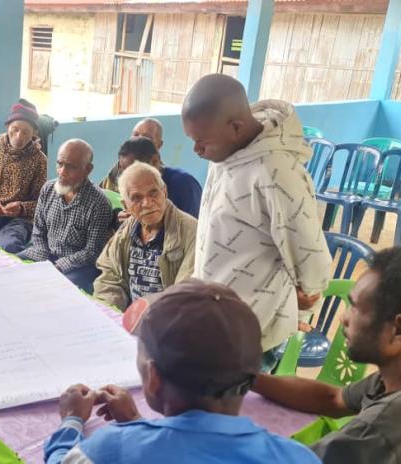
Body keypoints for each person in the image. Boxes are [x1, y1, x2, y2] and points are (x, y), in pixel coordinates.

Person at [44, 280, 320, 463]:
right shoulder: (297, 457)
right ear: (252, 373)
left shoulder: (111, 449)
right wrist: (137, 420)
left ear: (153, 379)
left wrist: (71, 421)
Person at [182, 74, 331, 370]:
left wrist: (300, 313)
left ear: (236, 127)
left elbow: (312, 259)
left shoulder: (277, 174)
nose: (196, 151)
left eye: (202, 142)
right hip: (216, 321)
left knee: (232, 408)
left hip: (252, 332)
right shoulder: (225, 153)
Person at [254, 247, 401, 463]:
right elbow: (333, 399)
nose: (344, 318)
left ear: (399, 330)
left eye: (355, 308)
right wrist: (247, 377)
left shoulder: (382, 428)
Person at [93, 162, 196, 310]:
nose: (147, 203)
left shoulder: (192, 232)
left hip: (170, 320)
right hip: (131, 318)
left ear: (164, 192)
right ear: (125, 205)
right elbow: (110, 278)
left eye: (153, 193)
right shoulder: (126, 231)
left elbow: (185, 295)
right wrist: (109, 314)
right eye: (136, 197)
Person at [18, 139, 112, 293]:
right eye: (59, 164)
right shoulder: (48, 189)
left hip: (78, 266)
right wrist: (44, 260)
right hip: (45, 255)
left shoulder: (98, 203)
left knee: (55, 289)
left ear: (88, 169)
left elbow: (92, 252)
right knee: (10, 268)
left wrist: (58, 266)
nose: (62, 172)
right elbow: (38, 231)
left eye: (71, 167)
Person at [0, 98, 47, 253]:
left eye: (26, 132)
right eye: (15, 129)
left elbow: (40, 202)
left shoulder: (39, 159)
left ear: (34, 133)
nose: (19, 136)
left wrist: (20, 208)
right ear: (7, 127)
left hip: (19, 220)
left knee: (9, 245)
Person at [100, 118, 202, 218]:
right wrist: (119, 218)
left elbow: (192, 226)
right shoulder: (120, 169)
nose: (139, 139)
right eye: (135, 135)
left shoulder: (183, 183)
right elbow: (105, 198)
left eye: (147, 137)